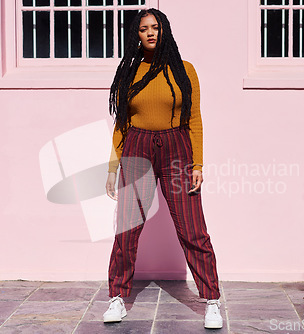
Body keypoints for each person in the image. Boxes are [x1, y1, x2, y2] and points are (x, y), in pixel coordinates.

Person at [103, 8, 223, 329]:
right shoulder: (129, 72)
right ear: (137, 35)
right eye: (144, 29)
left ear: (164, 30)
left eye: (155, 27)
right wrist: (114, 168)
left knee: (192, 228)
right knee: (127, 230)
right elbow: (122, 124)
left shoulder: (184, 70)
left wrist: (197, 163)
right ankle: (117, 297)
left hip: (176, 147)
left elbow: (194, 118)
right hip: (137, 148)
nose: (150, 33)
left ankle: (211, 300)